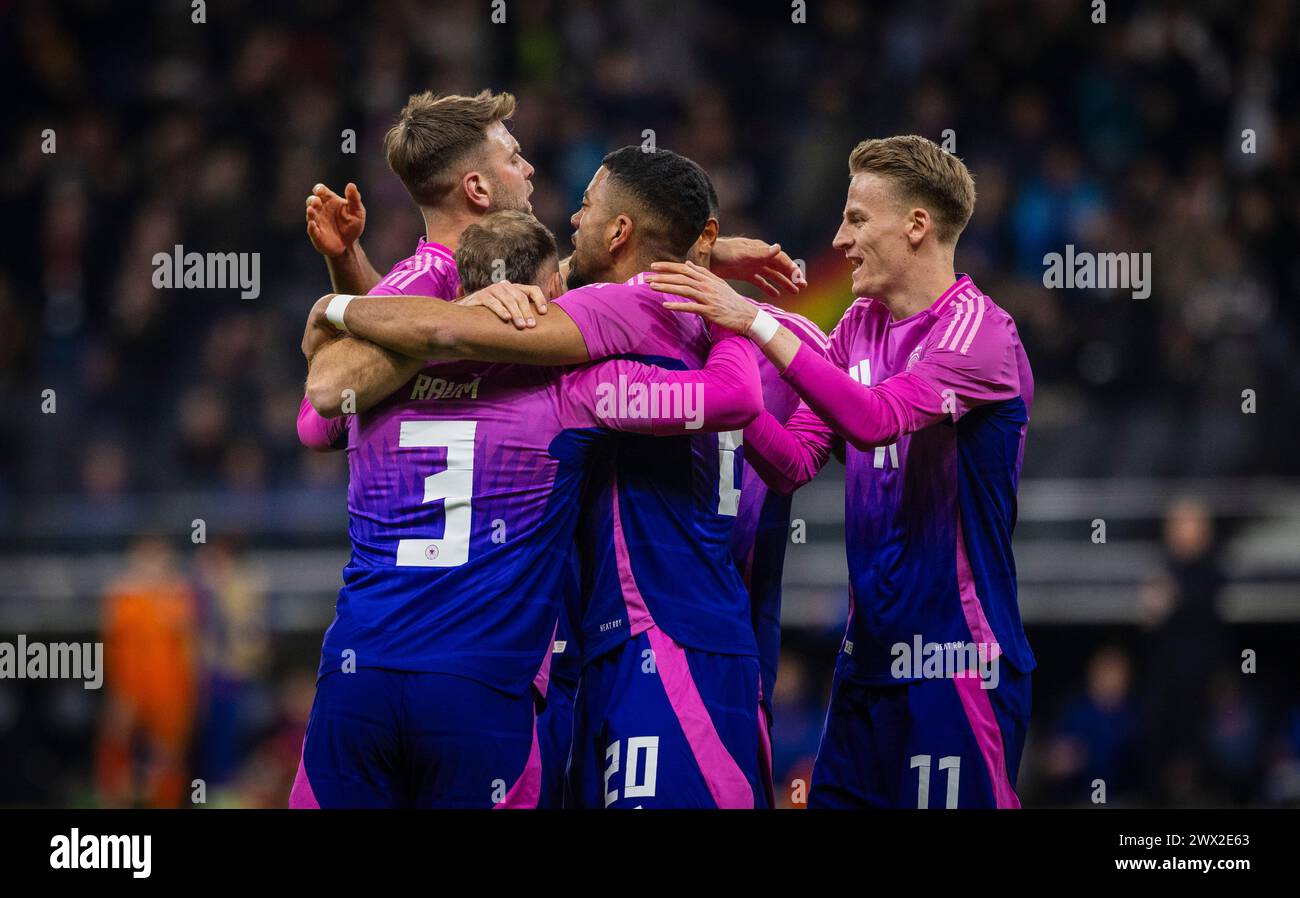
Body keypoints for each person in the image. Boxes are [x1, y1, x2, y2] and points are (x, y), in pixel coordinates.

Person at [305, 148, 777, 807]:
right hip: (508, 680)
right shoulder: (573, 389)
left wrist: (338, 300)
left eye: (586, 206)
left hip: (362, 671)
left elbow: (321, 415)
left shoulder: (399, 388)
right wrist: (731, 310)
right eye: (513, 153)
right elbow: (743, 411)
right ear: (545, 292)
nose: (544, 183)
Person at [647, 134, 1036, 809]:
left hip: (955, 664)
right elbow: (795, 461)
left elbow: (875, 418)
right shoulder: (858, 326)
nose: (840, 237)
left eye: (857, 218)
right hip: (866, 666)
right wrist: (731, 387)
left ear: (917, 225)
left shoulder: (981, 332)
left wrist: (756, 323)